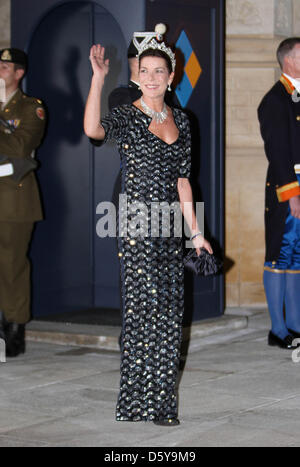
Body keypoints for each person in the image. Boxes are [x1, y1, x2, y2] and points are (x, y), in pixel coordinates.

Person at [84, 36, 212, 426]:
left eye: (159, 71)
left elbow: (183, 182)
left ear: (171, 76)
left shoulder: (183, 120)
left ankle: (162, 405)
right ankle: (136, 403)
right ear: (137, 77)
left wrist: (196, 233)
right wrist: (98, 79)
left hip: (171, 227)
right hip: (137, 225)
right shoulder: (127, 114)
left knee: (171, 313)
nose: (152, 77)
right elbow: (93, 129)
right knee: (144, 314)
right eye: (145, 72)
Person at [0, 48, 46, 357]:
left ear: (19, 73)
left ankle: (14, 330)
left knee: (11, 265)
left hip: (13, 198)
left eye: (4, 67)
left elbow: (19, 146)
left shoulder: (31, 108)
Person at [258, 37, 300, 350]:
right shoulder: (275, 100)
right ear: (288, 60)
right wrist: (292, 194)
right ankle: (277, 329)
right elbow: (279, 151)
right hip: (288, 189)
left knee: (297, 258)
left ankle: (295, 326)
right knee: (280, 256)